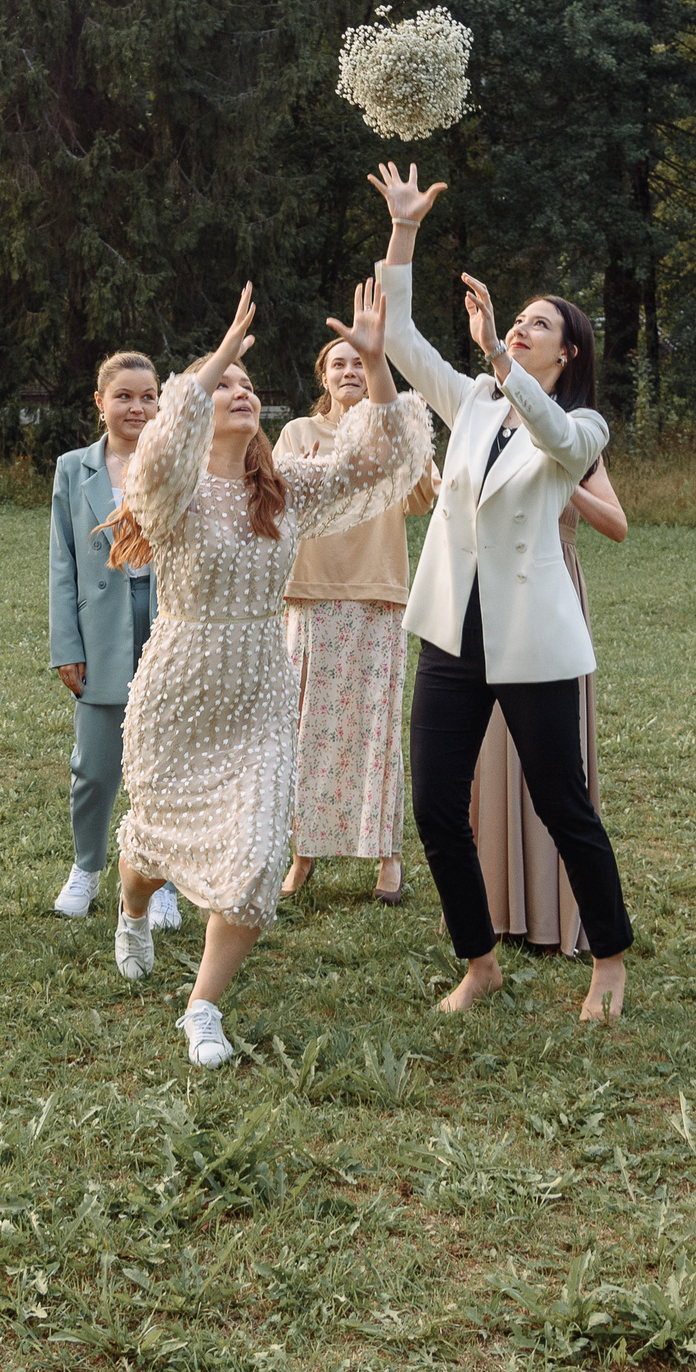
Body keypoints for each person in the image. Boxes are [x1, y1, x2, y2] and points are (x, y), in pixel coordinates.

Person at [107, 280, 431, 1067]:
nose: (240, 391)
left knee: (255, 858)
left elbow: (382, 456)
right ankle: (134, 913)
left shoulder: (285, 491)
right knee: (151, 848)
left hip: (259, 685)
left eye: (249, 385)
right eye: (225, 386)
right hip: (179, 685)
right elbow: (153, 451)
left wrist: (380, 363)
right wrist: (216, 355)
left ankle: (202, 1007)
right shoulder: (171, 489)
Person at [372, 161, 636, 1023]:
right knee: (435, 804)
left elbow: (557, 434)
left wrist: (495, 352)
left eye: (537, 326)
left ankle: (610, 961)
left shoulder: (581, 426)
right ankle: (478, 960)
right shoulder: (476, 402)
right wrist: (404, 229)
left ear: (568, 352)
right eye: (516, 319)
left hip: (534, 641)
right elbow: (404, 340)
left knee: (564, 804)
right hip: (453, 632)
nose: (520, 330)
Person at [276, 334, 439, 905]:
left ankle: (387, 860)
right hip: (310, 595)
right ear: (324, 377)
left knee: (377, 728)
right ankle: (303, 855)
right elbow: (275, 500)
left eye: (359, 362)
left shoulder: (394, 431)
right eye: (337, 364)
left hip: (376, 594)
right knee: (306, 730)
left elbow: (423, 498)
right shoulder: (298, 434)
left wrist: (399, 441)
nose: (349, 371)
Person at [469, 462, 627, 955]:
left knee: (554, 769)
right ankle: (494, 907)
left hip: (551, 587)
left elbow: (616, 525)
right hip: (494, 588)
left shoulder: (576, 440)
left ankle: (554, 912)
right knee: (494, 742)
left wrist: (569, 486)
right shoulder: (488, 431)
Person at [46, 352, 180, 929]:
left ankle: (165, 879)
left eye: (148, 396)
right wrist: (65, 644)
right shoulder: (74, 469)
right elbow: (62, 560)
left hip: (170, 622)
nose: (138, 407)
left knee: (169, 763)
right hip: (100, 627)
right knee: (95, 766)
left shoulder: (179, 462)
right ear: (100, 403)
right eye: (124, 396)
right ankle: (86, 867)